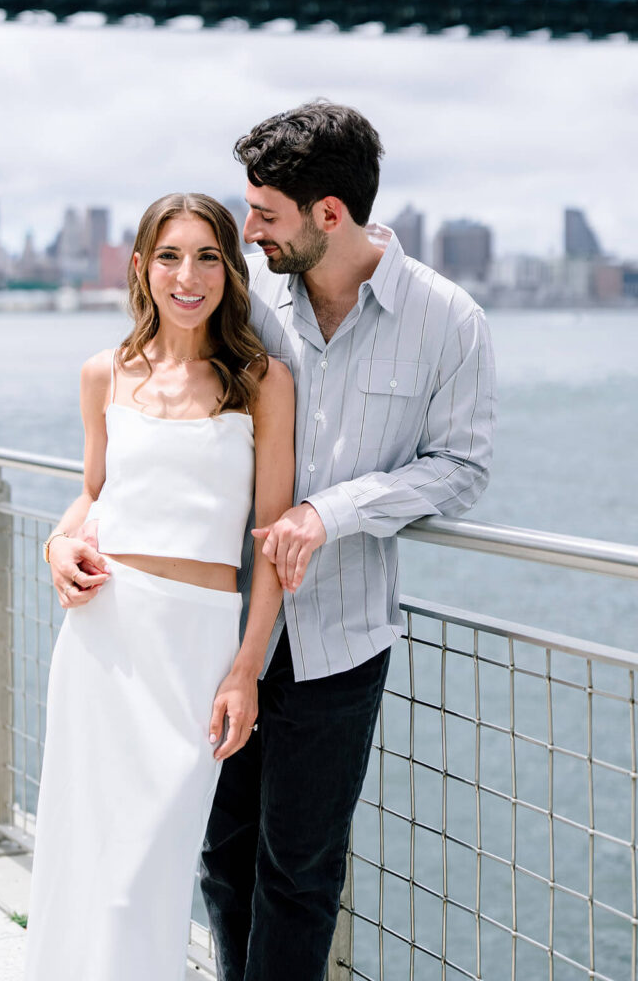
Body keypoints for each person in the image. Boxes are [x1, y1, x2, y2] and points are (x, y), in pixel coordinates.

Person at [197, 101, 497, 981]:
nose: (248, 230)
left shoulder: (451, 320)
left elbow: (463, 469)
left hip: (342, 641)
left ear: (330, 214)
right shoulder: (249, 310)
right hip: (232, 630)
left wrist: (334, 512)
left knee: (300, 874)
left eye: (265, 213)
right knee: (222, 856)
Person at [24, 193, 295, 981]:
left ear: (230, 269)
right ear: (141, 268)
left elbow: (271, 544)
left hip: (197, 651)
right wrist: (56, 543)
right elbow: (95, 495)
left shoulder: (260, 381)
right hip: (105, 640)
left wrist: (247, 667)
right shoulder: (103, 373)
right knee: (89, 868)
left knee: (152, 868)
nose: (189, 275)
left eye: (208, 256)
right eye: (171, 256)